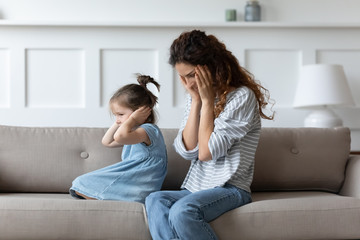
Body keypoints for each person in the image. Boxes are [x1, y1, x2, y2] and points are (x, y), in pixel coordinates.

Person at [145, 30, 274, 239]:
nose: (188, 84)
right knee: (155, 200)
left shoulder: (241, 97)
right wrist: (197, 101)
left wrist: (206, 102)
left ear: (211, 68)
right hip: (197, 187)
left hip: (232, 189)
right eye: (182, 77)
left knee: (182, 211)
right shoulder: (194, 97)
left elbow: (206, 152)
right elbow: (187, 151)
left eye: (191, 76)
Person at [69, 74, 167, 203]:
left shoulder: (147, 130)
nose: (117, 119)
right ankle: (107, 198)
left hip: (140, 183)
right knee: (80, 183)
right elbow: (107, 141)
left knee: (81, 183)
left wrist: (131, 119)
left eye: (120, 114)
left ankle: (110, 198)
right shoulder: (131, 132)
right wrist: (119, 121)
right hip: (130, 179)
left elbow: (119, 136)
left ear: (139, 112)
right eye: (115, 115)